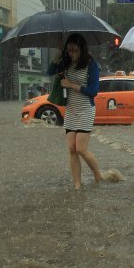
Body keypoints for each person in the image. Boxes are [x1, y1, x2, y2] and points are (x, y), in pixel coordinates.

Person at [47, 33, 103, 189]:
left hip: (86, 109)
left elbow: (93, 91)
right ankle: (77, 186)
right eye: (69, 50)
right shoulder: (66, 62)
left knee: (81, 149)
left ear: (82, 49)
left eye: (75, 50)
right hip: (71, 110)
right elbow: (50, 71)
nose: (72, 54)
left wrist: (71, 85)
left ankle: (98, 174)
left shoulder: (91, 65)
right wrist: (59, 53)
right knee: (72, 149)